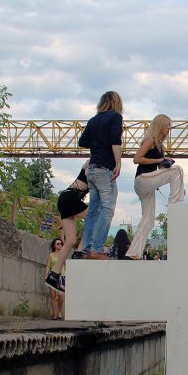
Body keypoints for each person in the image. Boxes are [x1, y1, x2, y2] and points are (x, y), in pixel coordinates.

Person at [126, 114, 185, 258]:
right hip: (143, 179)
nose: (170, 128)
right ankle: (176, 206)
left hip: (148, 184)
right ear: (161, 125)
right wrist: (158, 160)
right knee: (178, 170)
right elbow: (136, 159)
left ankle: (133, 253)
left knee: (148, 220)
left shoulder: (160, 146)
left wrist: (164, 163)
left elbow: (161, 170)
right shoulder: (150, 140)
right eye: (168, 125)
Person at [79, 91, 123, 259]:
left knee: (93, 210)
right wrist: (118, 163)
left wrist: (97, 140)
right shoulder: (115, 117)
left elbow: (82, 142)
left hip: (91, 169)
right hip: (105, 168)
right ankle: (97, 248)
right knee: (107, 208)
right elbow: (115, 141)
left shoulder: (93, 120)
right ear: (116, 103)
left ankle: (86, 248)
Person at [45, 166, 89, 294]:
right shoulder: (92, 162)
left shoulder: (96, 161)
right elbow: (88, 173)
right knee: (95, 217)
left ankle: (54, 275)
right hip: (70, 198)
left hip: (65, 199)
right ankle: (79, 251)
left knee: (70, 240)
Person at [47, 238, 65, 319]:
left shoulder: (63, 255)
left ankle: (59, 311)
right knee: (53, 296)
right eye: (58, 244)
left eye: (61, 244)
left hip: (62, 276)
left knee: (60, 295)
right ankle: (55, 314)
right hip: (53, 276)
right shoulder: (51, 255)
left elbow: (66, 266)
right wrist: (45, 276)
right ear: (54, 245)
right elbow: (48, 266)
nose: (60, 245)